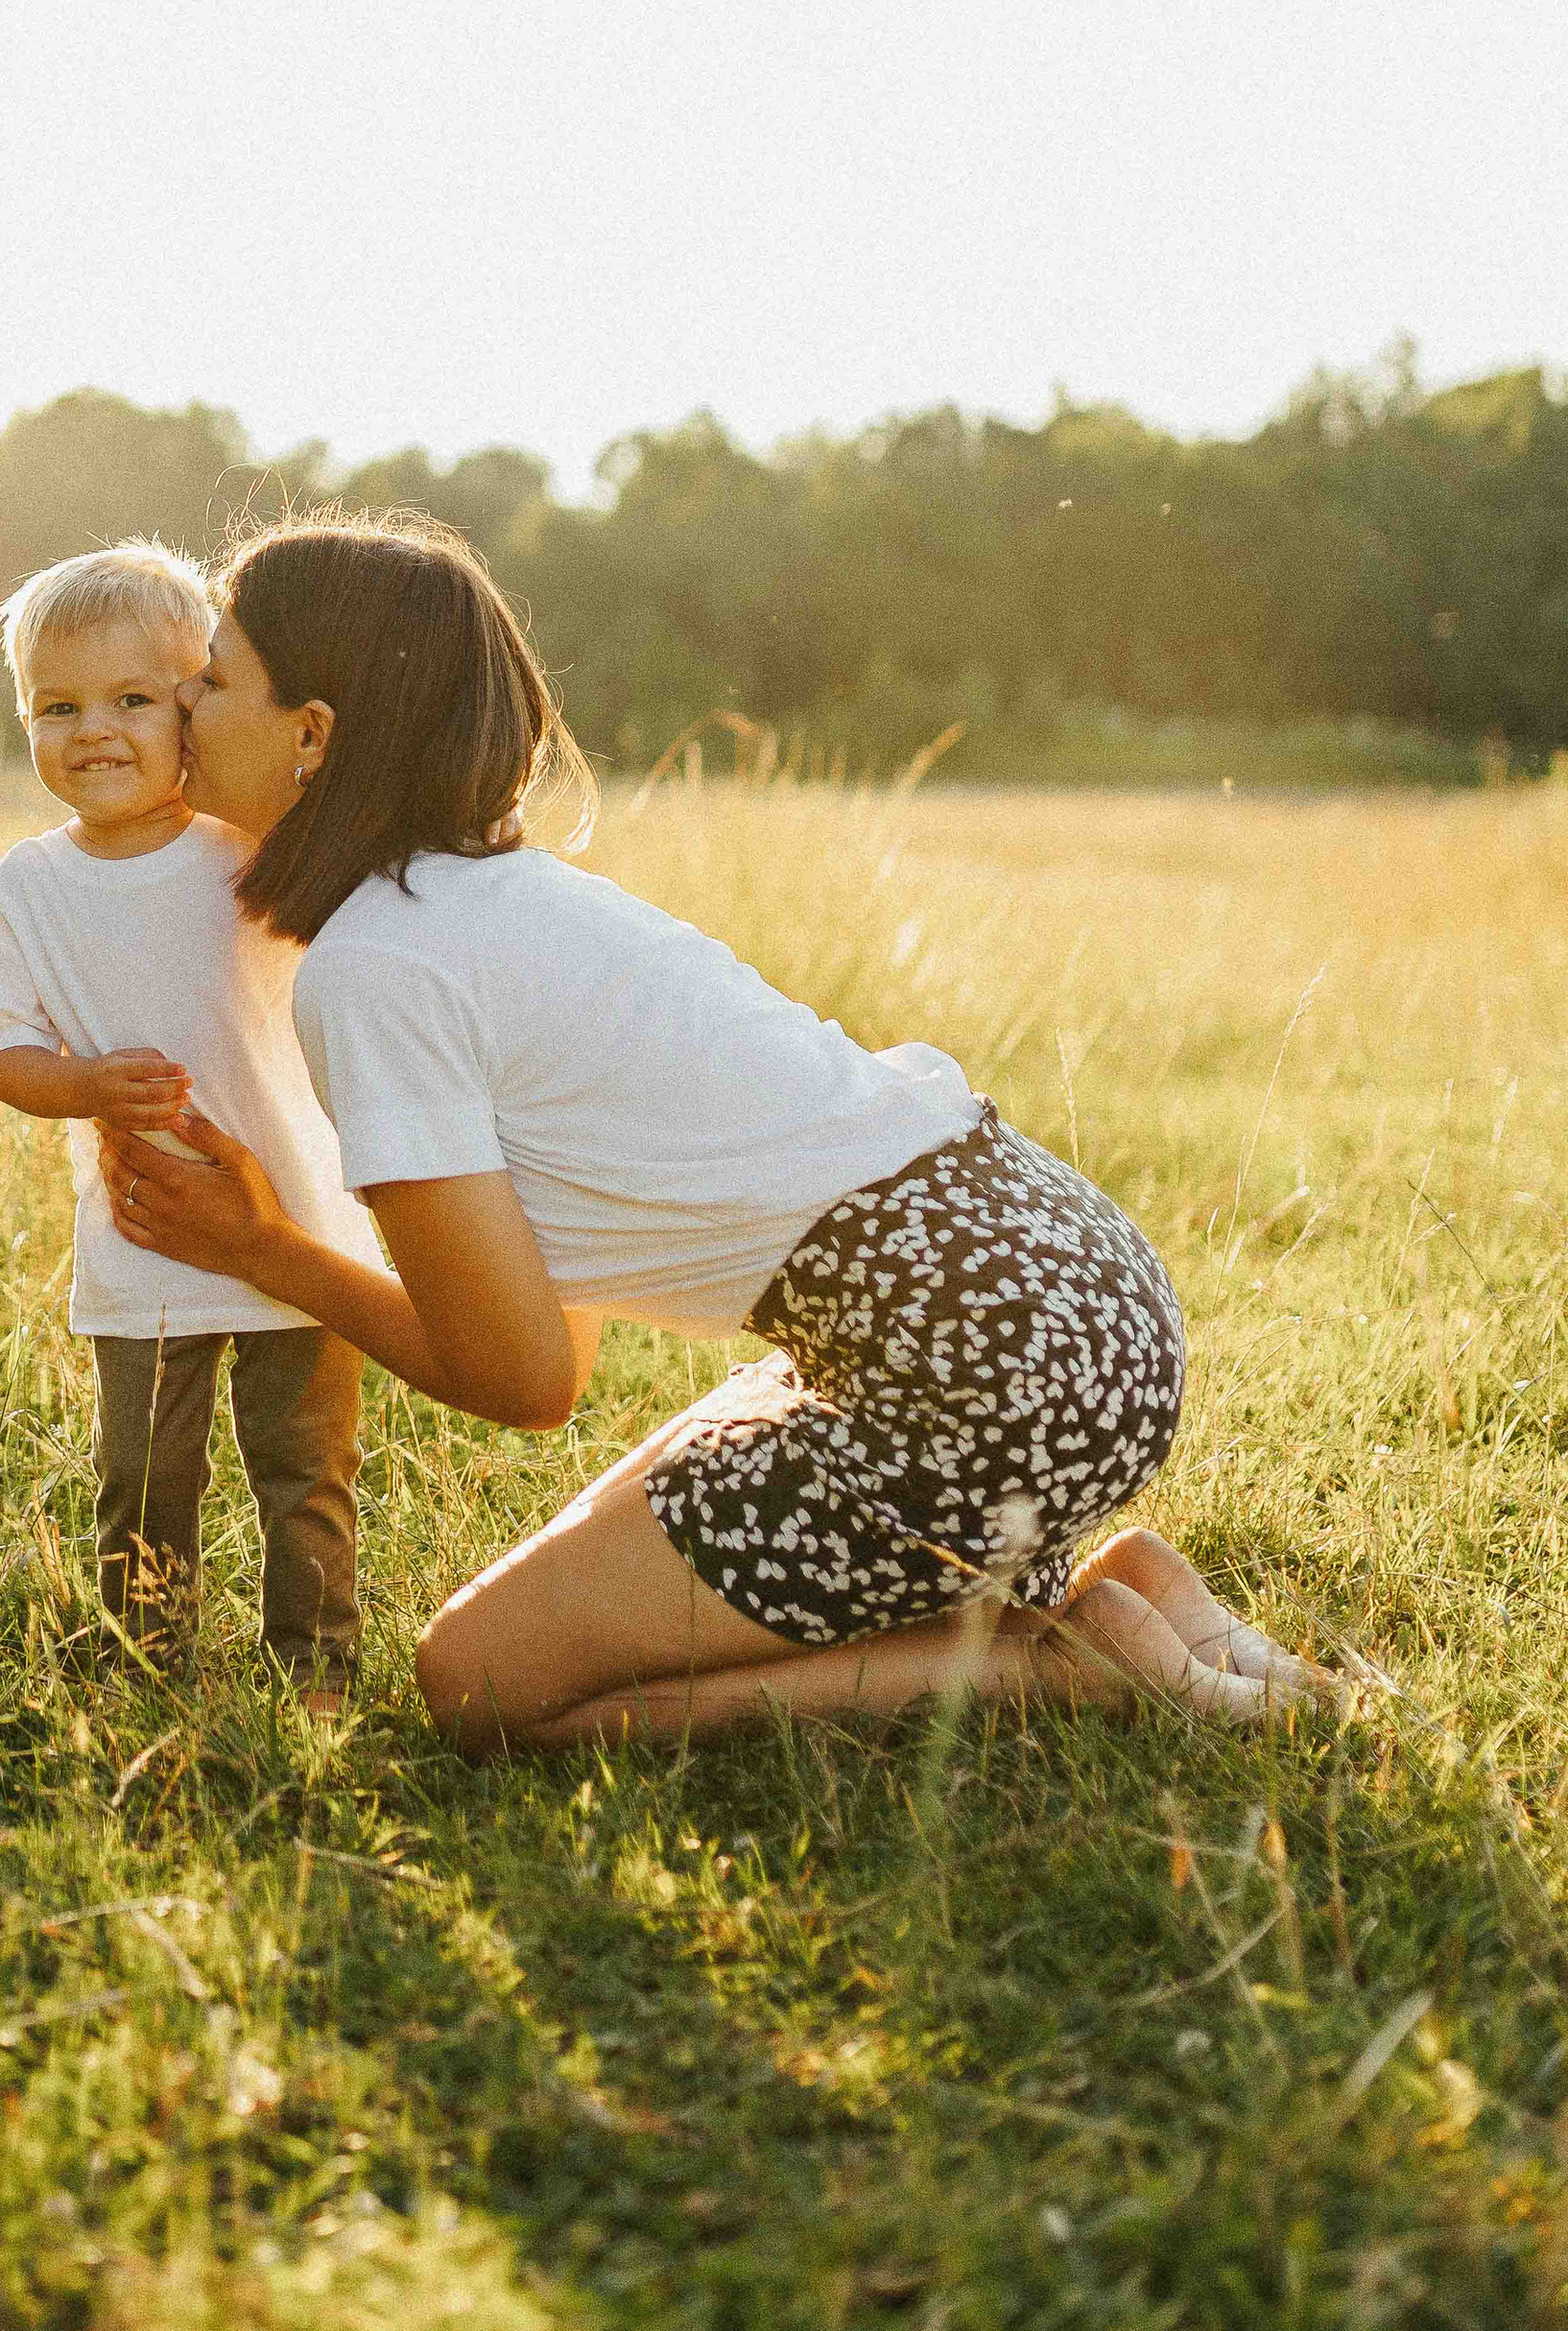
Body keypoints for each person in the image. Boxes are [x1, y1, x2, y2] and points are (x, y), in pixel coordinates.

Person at [96, 517, 1325, 1754]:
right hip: (1071, 1290)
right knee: (617, 1607)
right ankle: (1131, 1594)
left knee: (481, 1681)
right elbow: (557, 1333)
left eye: (214, 677)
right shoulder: (499, 899)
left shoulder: (375, 968)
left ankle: (1050, 1665)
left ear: (311, 734)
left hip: (974, 1361)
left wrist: (262, 1250)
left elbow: (521, 1382)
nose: (183, 702)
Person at [0, 541, 382, 1705]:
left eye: (133, 700)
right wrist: (87, 1085)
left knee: (305, 1469)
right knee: (144, 1479)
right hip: (144, 1237)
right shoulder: (30, 885)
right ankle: (146, 1672)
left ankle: (315, 1673)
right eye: (57, 707)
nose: (93, 731)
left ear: (195, 704)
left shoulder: (251, 850)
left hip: (300, 1221)